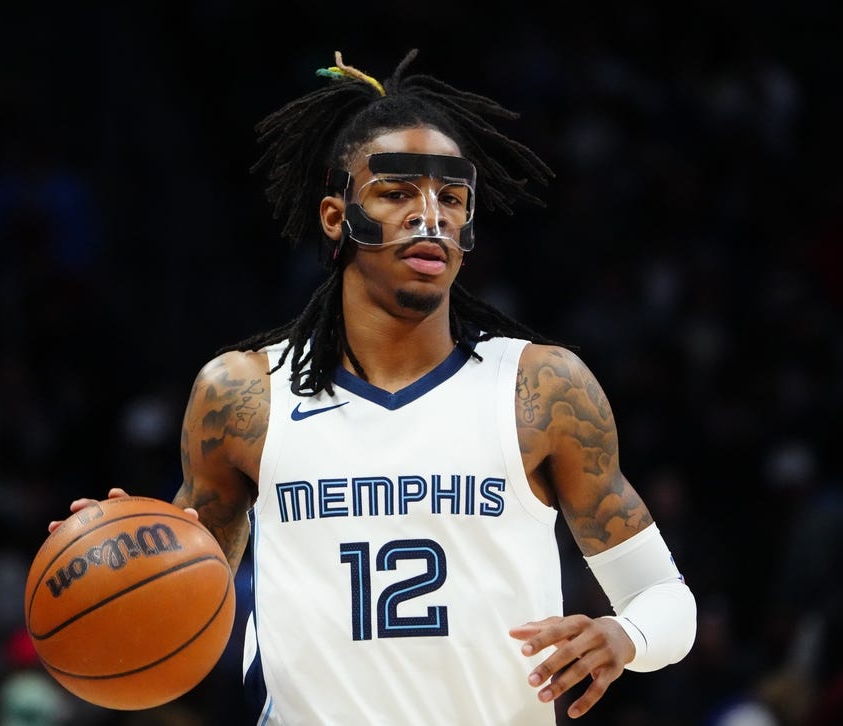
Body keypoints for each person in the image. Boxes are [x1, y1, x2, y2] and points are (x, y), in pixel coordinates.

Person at [51, 49, 697, 724]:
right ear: (337, 218)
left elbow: (666, 598)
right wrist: (126, 548)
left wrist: (626, 636)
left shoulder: (539, 388)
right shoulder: (244, 395)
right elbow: (180, 608)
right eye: (397, 194)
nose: (430, 217)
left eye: (451, 198)